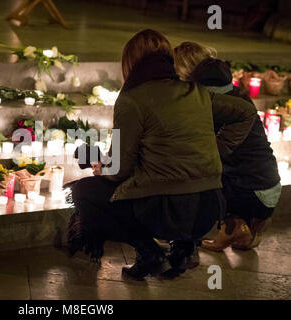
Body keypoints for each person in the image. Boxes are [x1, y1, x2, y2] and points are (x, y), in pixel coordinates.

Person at [68, 29, 258, 280]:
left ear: (130, 63)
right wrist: (217, 149)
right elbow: (246, 112)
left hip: (167, 210)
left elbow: (119, 171)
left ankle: (148, 252)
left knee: (85, 192)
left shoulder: (133, 99)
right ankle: (183, 248)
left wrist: (101, 168)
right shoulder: (194, 91)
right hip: (210, 208)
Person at [173, 41, 281, 251]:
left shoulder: (207, 101)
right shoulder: (233, 91)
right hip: (270, 185)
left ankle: (231, 226)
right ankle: (248, 230)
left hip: (250, 192)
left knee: (195, 170)